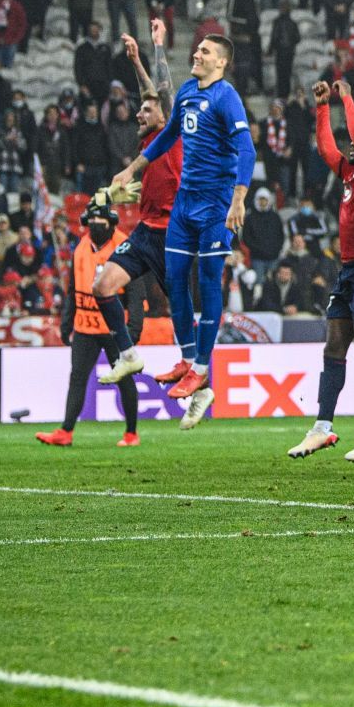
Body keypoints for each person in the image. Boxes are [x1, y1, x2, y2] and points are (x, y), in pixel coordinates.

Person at [110, 32, 255, 429]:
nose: (197, 53)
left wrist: (239, 198)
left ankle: (202, 367)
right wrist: (132, 168)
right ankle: (188, 359)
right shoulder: (190, 90)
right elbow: (169, 134)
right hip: (186, 204)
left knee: (207, 280)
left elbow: (247, 150)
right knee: (174, 282)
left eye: (205, 51)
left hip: (215, 203)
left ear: (221, 62)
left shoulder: (227, 97)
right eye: (197, 49)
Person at [284, 80, 354, 462]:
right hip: (349, 270)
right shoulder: (348, 175)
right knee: (334, 344)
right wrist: (320, 106)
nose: (351, 145)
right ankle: (322, 427)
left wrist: (346, 97)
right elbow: (325, 146)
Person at [94, 21, 181, 389]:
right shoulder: (149, 142)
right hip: (146, 232)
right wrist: (134, 60)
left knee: (182, 311)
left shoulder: (173, 128)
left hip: (173, 235)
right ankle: (128, 355)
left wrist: (157, 46)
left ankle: (199, 381)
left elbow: (161, 88)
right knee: (102, 286)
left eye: (147, 111)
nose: (138, 115)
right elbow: (149, 91)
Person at [36, 196, 142, 448]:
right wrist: (67, 321)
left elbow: (136, 291)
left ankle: (131, 433)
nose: (95, 224)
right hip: (85, 325)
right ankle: (66, 431)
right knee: (78, 377)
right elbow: (74, 287)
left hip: (114, 326)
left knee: (124, 379)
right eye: (91, 219)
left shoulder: (125, 246)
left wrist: (135, 326)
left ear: (111, 222)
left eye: (100, 219)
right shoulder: (81, 246)